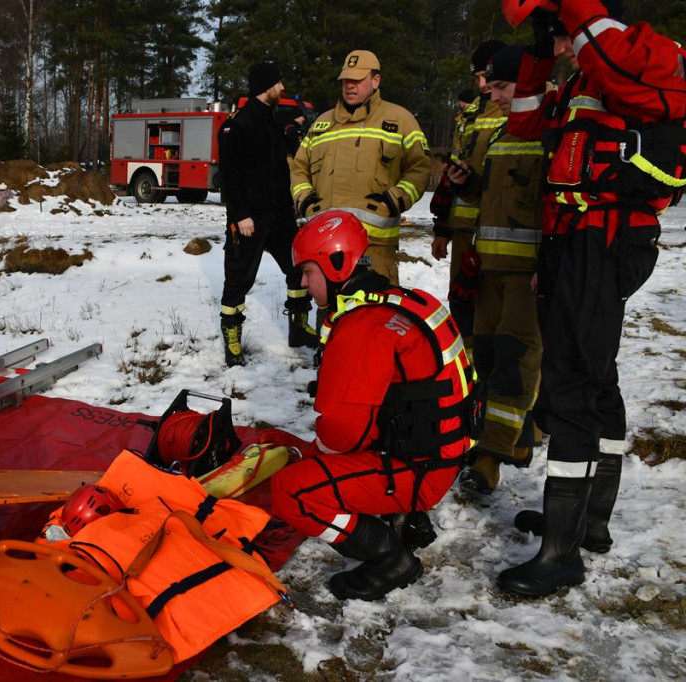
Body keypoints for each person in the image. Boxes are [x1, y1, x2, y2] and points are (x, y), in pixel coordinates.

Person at [496, 0, 686, 598]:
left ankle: (560, 554)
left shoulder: (652, 56)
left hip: (606, 241)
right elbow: (525, 121)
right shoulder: (579, 78)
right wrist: (535, 52)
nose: (555, 48)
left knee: (574, 381)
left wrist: (575, 15)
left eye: (556, 33)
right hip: (572, 242)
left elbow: (617, 62)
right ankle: (585, 524)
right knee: (595, 377)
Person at [270, 210, 475, 600]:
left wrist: (317, 463)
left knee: (291, 490)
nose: (302, 282)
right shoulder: (406, 301)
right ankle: (400, 516)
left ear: (336, 263)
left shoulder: (363, 327)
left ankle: (389, 560)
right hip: (441, 454)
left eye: (308, 272)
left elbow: (342, 433)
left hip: (422, 472)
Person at [447, 46, 546, 495]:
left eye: (502, 87)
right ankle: (511, 437)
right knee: (483, 358)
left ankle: (492, 455)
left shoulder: (552, 131)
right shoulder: (504, 133)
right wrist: (466, 188)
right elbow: (491, 199)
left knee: (514, 361)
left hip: (528, 275)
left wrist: (552, 264)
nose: (492, 94)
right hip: (488, 271)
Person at [290, 50, 431, 285]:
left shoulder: (400, 120)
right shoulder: (322, 124)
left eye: (357, 80)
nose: (349, 86)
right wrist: (304, 201)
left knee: (376, 317)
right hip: (327, 250)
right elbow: (299, 167)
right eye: (346, 80)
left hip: (374, 249)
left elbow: (420, 168)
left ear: (375, 81)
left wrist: (394, 199)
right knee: (332, 319)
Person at [218, 62, 317, 367]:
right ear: (266, 86)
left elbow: (276, 160)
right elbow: (229, 179)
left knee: (299, 270)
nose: (283, 88)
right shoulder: (237, 125)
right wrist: (240, 215)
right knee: (238, 281)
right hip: (249, 220)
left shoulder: (272, 121)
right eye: (278, 84)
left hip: (281, 217)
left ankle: (298, 330)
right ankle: (233, 340)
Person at [430, 40, 509, 358]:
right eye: (476, 77)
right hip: (464, 229)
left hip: (503, 229)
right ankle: (468, 370)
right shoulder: (469, 115)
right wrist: (442, 229)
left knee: (498, 310)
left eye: (485, 76)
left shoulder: (519, 107)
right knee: (463, 302)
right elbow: (453, 175)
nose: (481, 85)